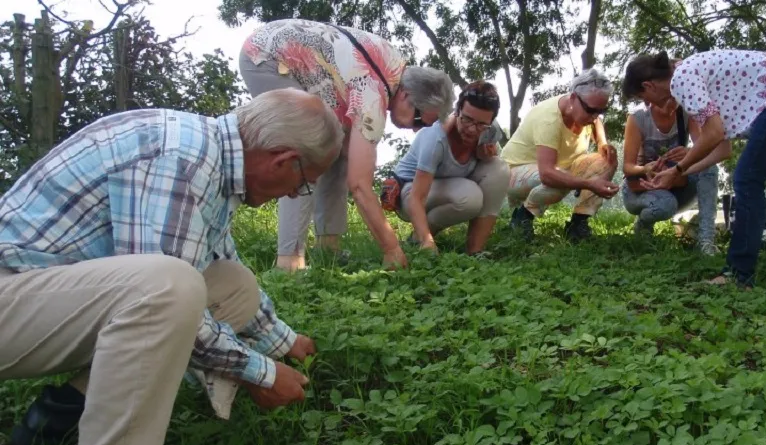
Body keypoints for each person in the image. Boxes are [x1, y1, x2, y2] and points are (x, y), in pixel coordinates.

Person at [0, 88, 343, 445]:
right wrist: (261, 372)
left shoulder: (208, 156)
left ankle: (59, 415)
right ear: (282, 160)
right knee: (171, 288)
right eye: (304, 182)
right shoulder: (182, 158)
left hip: (43, 300)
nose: (296, 194)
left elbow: (220, 264)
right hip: (12, 298)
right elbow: (164, 299)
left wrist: (284, 341)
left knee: (231, 284)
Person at [239, 18, 456, 271]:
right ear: (407, 96)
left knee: (338, 151)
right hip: (267, 58)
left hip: (289, 57)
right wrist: (391, 248)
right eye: (419, 120)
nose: (416, 130)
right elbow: (360, 184)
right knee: (303, 151)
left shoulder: (396, 69)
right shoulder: (374, 92)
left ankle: (328, 247)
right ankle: (289, 260)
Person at [622, 50, 766, 287]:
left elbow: (713, 134)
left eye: (642, 97)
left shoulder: (681, 79)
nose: (646, 104)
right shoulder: (690, 71)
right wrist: (681, 170)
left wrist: (676, 170)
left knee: (747, 179)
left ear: (649, 85)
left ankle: (738, 274)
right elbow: (722, 148)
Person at [500, 69, 620, 242]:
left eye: (601, 111)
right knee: (560, 180)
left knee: (606, 161)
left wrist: (602, 143)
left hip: (555, 169)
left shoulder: (585, 110)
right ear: (572, 98)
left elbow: (596, 119)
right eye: (591, 110)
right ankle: (522, 218)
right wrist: (589, 184)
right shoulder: (549, 119)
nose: (595, 117)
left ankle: (578, 224)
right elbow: (548, 174)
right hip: (513, 173)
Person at [393, 81, 510, 255]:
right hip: (410, 193)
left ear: (490, 122)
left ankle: (475, 251)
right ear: (457, 111)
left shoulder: (491, 130)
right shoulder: (436, 137)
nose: (471, 129)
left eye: (480, 125)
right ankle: (421, 237)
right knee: (469, 196)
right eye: (467, 119)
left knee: (499, 169)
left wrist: (483, 153)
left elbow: (486, 158)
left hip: (451, 186)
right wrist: (427, 241)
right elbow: (417, 198)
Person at [621, 96, 730, 254]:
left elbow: (705, 149)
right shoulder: (638, 118)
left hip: (675, 183)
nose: (669, 105)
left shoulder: (687, 113)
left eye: (674, 98)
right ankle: (643, 225)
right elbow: (628, 167)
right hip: (641, 188)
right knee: (666, 205)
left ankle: (706, 240)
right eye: (664, 98)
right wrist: (645, 169)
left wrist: (690, 152)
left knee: (710, 167)